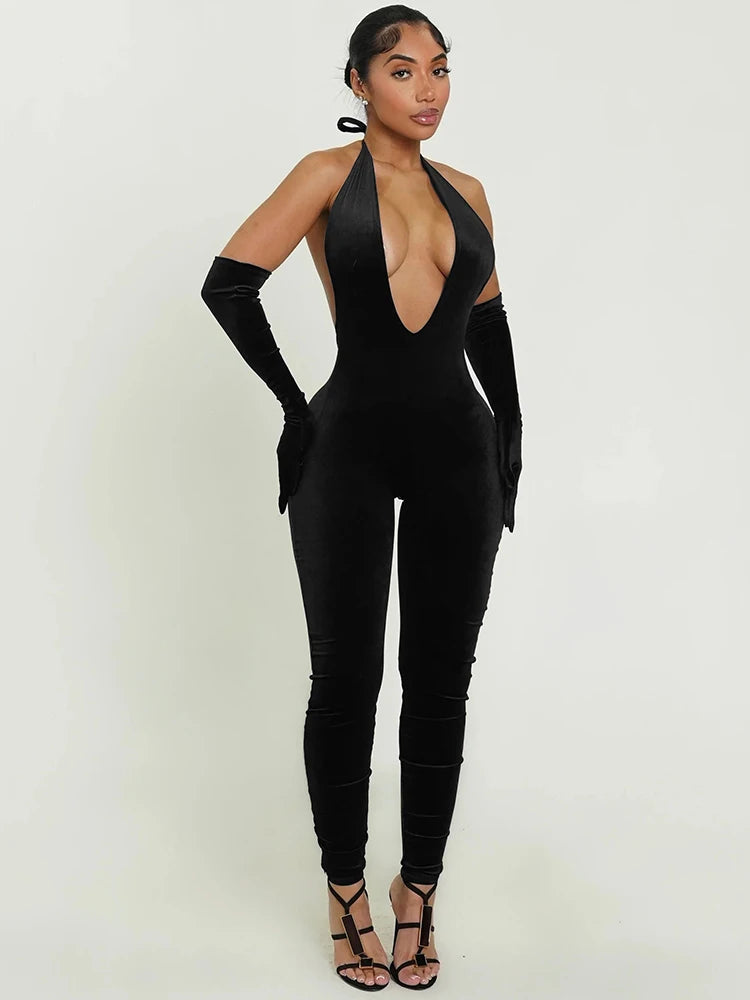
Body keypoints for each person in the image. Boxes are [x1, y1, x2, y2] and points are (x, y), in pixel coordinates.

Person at [200, 6, 523, 991]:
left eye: (440, 69)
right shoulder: (323, 177)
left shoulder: (468, 192)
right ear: (358, 83)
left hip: (458, 453)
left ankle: (416, 889)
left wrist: (511, 439)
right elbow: (228, 285)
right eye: (402, 69)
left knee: (442, 678)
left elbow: (490, 321)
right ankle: (345, 891)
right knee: (346, 677)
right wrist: (295, 406)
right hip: (347, 448)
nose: (428, 89)